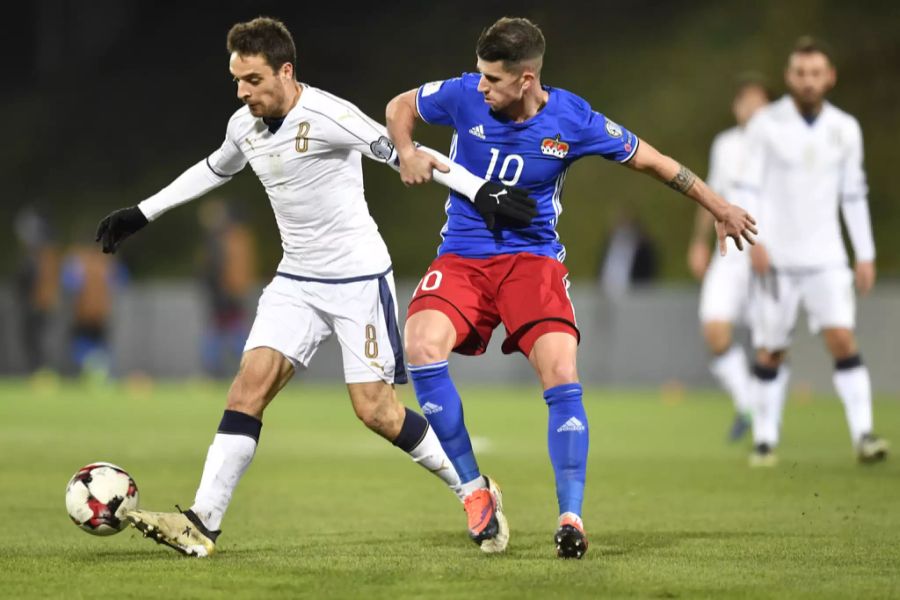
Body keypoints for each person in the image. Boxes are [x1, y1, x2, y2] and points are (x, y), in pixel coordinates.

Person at [95, 17, 535, 557]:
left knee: (376, 411)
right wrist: (142, 213)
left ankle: (473, 488)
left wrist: (481, 190)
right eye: (236, 80)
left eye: (252, 80)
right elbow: (212, 169)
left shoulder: (329, 114)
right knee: (247, 388)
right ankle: (202, 522)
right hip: (295, 280)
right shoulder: (245, 126)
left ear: (285, 70)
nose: (242, 92)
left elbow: (406, 152)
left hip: (356, 280)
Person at [385, 17, 757, 559]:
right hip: (463, 257)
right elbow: (401, 106)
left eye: (493, 79)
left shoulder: (573, 119)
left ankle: (571, 518)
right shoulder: (464, 94)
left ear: (527, 78)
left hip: (533, 263)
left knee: (561, 371)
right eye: (480, 75)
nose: (480, 86)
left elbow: (653, 162)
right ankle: (473, 492)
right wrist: (406, 151)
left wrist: (719, 206)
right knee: (419, 347)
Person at [735, 37, 888, 467]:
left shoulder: (845, 128)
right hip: (778, 256)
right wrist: (756, 240)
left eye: (816, 73)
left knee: (842, 338)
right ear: (789, 77)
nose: (808, 81)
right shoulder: (766, 124)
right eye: (801, 74)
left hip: (827, 257)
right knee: (772, 348)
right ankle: (765, 440)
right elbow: (749, 186)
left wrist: (865, 253)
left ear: (830, 77)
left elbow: (854, 194)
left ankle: (864, 434)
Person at [686, 76, 775, 441]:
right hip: (732, 251)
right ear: (736, 108)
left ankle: (768, 429)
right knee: (714, 326)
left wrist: (766, 243)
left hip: (771, 252)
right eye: (748, 105)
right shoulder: (725, 145)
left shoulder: (779, 147)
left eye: (761, 105)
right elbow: (712, 194)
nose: (754, 112)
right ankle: (748, 404)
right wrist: (698, 241)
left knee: (769, 340)